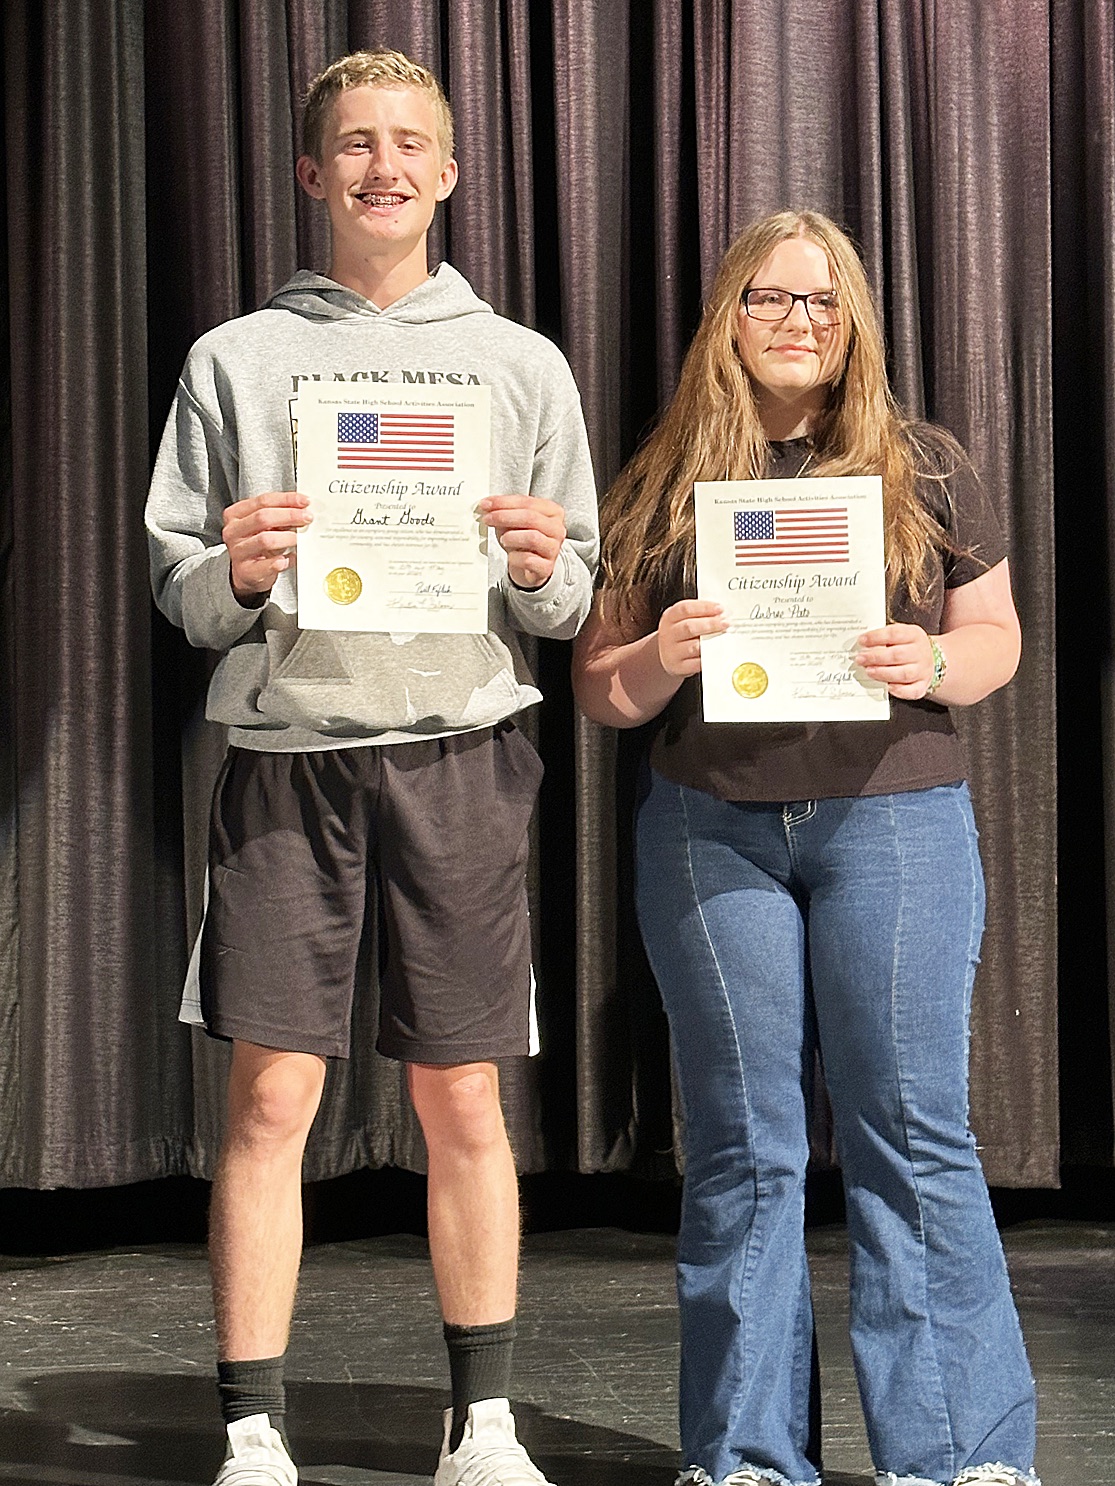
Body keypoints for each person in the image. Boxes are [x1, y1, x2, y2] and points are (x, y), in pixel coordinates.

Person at [146, 49, 598, 1486]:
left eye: (409, 142)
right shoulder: (235, 356)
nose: (381, 165)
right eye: (352, 143)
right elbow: (176, 577)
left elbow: (574, 594)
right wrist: (234, 563)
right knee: (271, 1096)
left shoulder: (521, 363)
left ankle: (485, 1419)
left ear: (450, 174)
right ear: (309, 171)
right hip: (288, 757)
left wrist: (540, 567)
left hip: (460, 751)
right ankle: (251, 1422)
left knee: (461, 1094)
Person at [571, 209, 1039, 1486]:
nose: (795, 323)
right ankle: (740, 1458)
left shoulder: (920, 464)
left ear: (853, 328)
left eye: (821, 304)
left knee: (910, 1128)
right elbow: (598, 687)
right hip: (707, 833)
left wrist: (934, 660)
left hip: (890, 822)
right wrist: (653, 658)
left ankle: (953, 1457)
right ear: (727, 316)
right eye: (769, 300)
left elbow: (992, 637)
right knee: (739, 1143)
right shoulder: (664, 475)